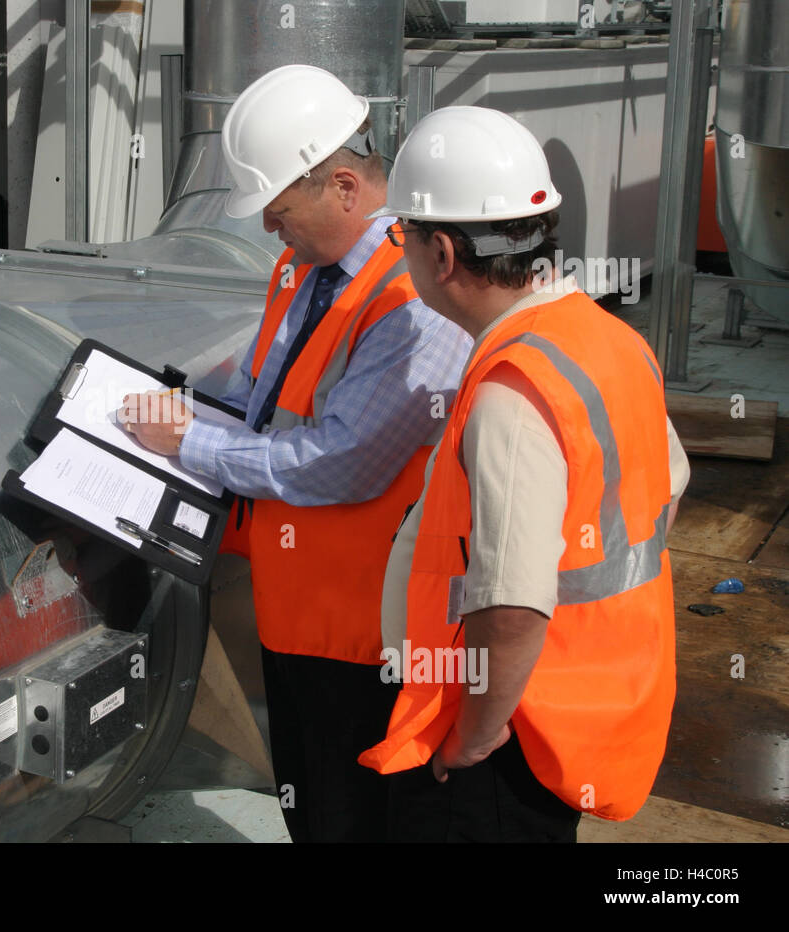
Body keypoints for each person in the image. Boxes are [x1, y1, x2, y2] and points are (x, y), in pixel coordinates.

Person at [118, 65, 471, 842]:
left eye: (278, 212)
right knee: (309, 809)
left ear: (344, 186)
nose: (271, 231)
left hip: (365, 635)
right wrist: (183, 413)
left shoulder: (412, 301)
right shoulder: (303, 268)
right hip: (294, 614)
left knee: (356, 819)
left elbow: (341, 461)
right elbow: (263, 401)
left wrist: (189, 440)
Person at [357, 105, 690, 842]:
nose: (399, 253)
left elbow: (511, 609)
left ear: (441, 253)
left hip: (506, 741)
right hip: (580, 708)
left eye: (399, 235)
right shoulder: (609, 341)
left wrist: (474, 734)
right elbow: (663, 489)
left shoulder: (514, 392)